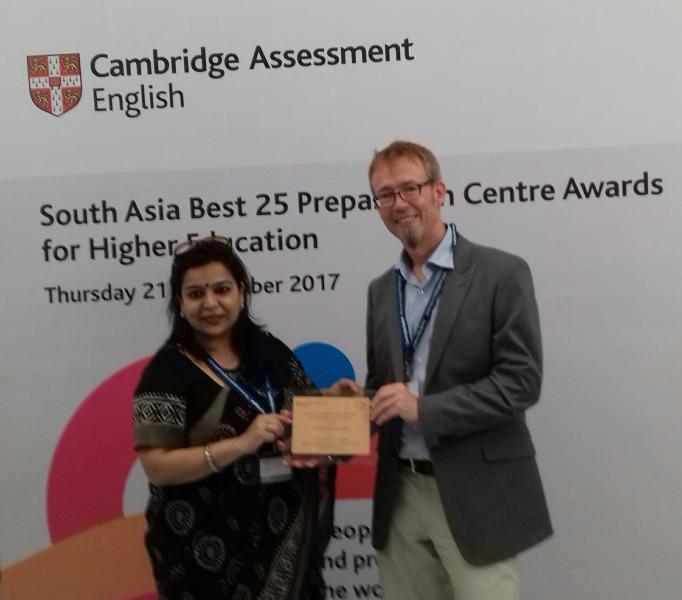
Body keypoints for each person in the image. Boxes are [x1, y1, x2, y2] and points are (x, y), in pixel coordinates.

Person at [364, 141, 553, 600]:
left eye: (409, 188)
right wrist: (353, 404)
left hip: (476, 492)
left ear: (438, 191)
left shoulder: (501, 273)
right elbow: (382, 388)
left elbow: (521, 381)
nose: (398, 203)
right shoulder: (380, 290)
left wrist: (423, 409)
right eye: (385, 194)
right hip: (399, 493)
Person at [132, 236, 334, 600]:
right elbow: (157, 467)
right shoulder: (167, 373)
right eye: (196, 294)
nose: (210, 303)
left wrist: (336, 402)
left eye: (222, 289)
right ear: (180, 302)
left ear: (241, 292)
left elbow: (309, 421)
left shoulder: (273, 354)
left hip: (282, 538)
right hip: (201, 551)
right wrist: (242, 444)